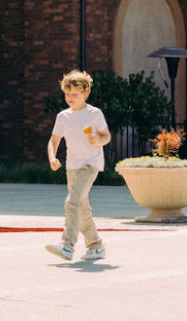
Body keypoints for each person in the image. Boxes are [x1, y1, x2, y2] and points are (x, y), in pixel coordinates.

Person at [45, 69, 111, 262]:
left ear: (85, 93)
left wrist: (98, 141)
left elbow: (106, 135)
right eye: (67, 93)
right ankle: (96, 246)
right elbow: (54, 141)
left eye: (74, 94)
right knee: (82, 208)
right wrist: (52, 157)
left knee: (72, 203)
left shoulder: (94, 113)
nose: (70, 97)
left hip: (90, 164)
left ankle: (67, 245)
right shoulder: (63, 116)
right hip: (71, 166)